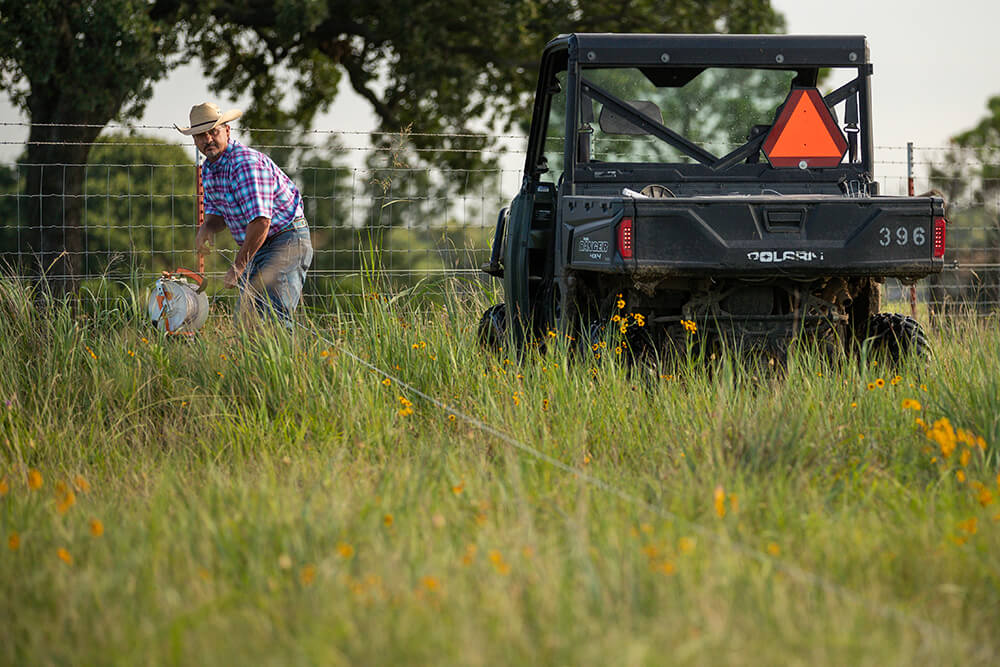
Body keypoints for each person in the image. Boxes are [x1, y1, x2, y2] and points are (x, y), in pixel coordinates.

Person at [176, 102, 313, 326]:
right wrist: (207, 227)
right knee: (247, 322)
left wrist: (238, 266)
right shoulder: (209, 169)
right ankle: (257, 360)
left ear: (227, 131)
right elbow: (216, 213)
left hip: (285, 240)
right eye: (201, 135)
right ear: (194, 140)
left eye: (214, 131)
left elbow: (261, 221)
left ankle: (284, 360)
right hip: (259, 245)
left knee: (273, 320)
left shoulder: (244, 164)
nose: (208, 139)